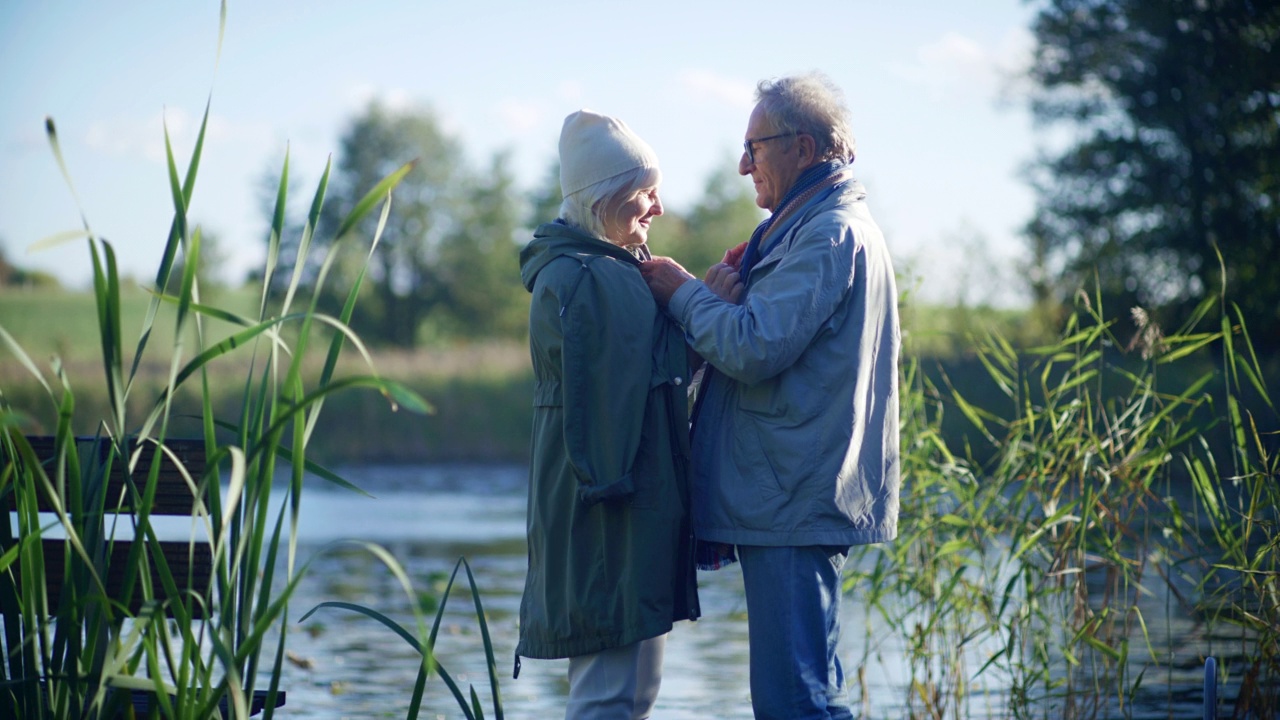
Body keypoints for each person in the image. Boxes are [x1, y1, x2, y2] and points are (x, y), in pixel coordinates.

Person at [639, 72, 901, 719]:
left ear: (803, 149)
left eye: (754, 148)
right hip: (788, 495)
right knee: (800, 694)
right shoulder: (807, 229)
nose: (742, 164)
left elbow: (754, 349)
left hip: (792, 498)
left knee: (795, 703)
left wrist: (683, 292)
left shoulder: (825, 234)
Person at [514, 109, 702, 720]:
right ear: (603, 199)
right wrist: (710, 308)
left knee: (627, 693)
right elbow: (633, 391)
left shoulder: (588, 270)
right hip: (609, 514)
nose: (658, 208)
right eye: (644, 192)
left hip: (607, 512)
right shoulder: (592, 277)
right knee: (610, 696)